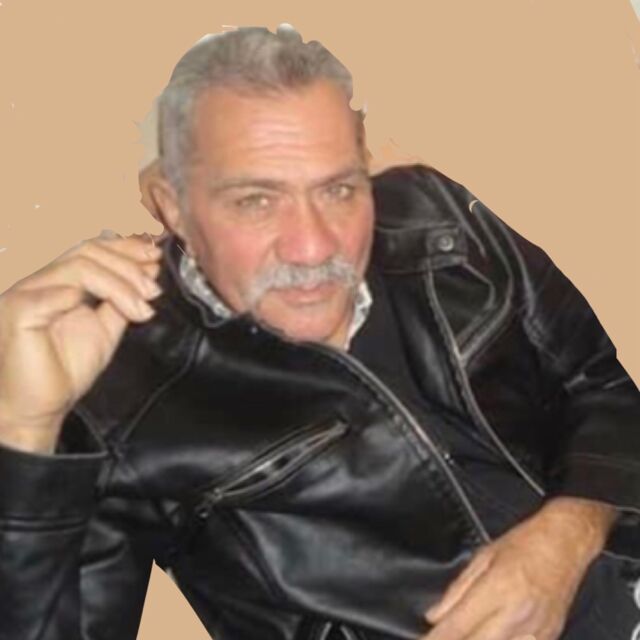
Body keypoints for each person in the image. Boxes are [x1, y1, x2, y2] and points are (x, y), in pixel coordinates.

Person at [0, 24, 638, 640]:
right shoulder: (119, 393)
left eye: (338, 190)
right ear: (173, 206)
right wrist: (22, 428)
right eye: (256, 201)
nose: (312, 247)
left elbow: (599, 386)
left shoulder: (437, 218)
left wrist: (567, 535)